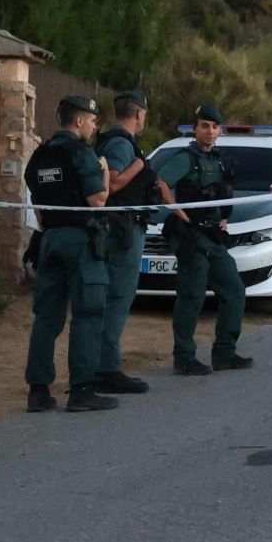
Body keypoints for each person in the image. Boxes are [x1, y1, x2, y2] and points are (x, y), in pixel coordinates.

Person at [23, 94, 118, 414]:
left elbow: (37, 203)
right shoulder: (82, 153)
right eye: (92, 120)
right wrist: (103, 171)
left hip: (49, 239)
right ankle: (82, 389)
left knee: (47, 317)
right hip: (80, 240)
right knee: (88, 314)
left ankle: (38, 391)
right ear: (78, 121)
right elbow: (98, 200)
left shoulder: (39, 155)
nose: (93, 126)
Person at [155, 103, 252, 375]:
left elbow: (219, 193)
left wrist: (223, 217)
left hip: (212, 235)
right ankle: (184, 357)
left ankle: (225, 353)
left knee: (234, 290)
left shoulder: (217, 159)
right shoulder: (186, 157)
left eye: (214, 126)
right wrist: (177, 210)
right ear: (195, 128)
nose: (210, 131)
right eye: (204, 126)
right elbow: (161, 182)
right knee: (191, 297)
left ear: (220, 130)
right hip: (191, 236)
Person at [92, 90, 154, 395]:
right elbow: (113, 182)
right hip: (122, 231)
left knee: (112, 297)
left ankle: (101, 364)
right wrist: (139, 167)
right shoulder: (120, 143)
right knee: (117, 297)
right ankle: (106, 368)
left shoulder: (114, 140)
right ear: (139, 113)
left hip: (119, 229)